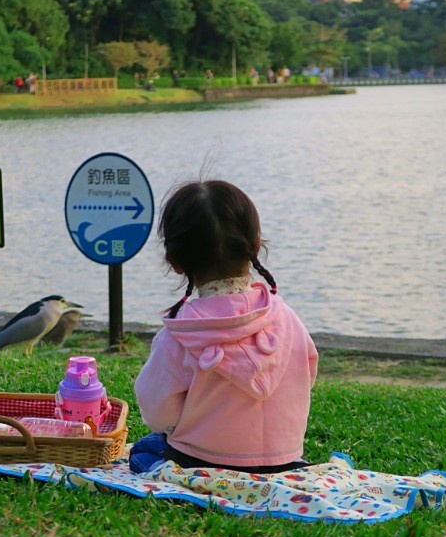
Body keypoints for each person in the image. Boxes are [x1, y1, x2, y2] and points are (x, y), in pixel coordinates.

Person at [132, 180, 318, 474]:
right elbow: (304, 379)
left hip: (200, 464)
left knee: (143, 451)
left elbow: (157, 414)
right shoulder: (287, 319)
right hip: (284, 462)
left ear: (174, 262)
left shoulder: (180, 335)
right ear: (255, 245)